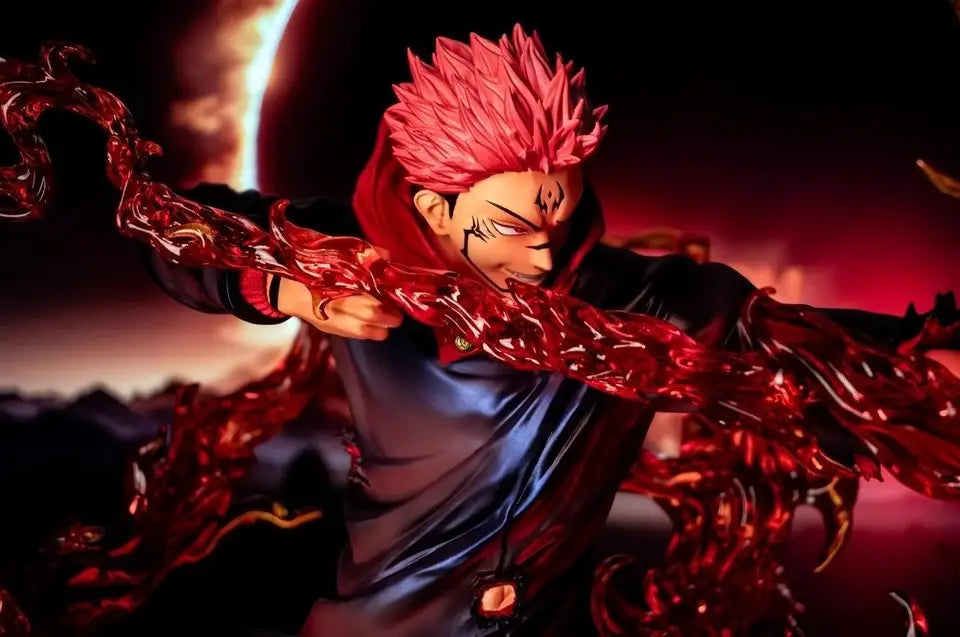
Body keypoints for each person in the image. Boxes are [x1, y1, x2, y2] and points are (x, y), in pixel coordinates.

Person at [141, 24, 958, 636]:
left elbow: (791, 348)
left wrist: (922, 370)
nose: (542, 250)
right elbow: (172, 232)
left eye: (559, 213)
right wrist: (285, 283)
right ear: (433, 208)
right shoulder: (351, 259)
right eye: (509, 225)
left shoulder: (627, 302)